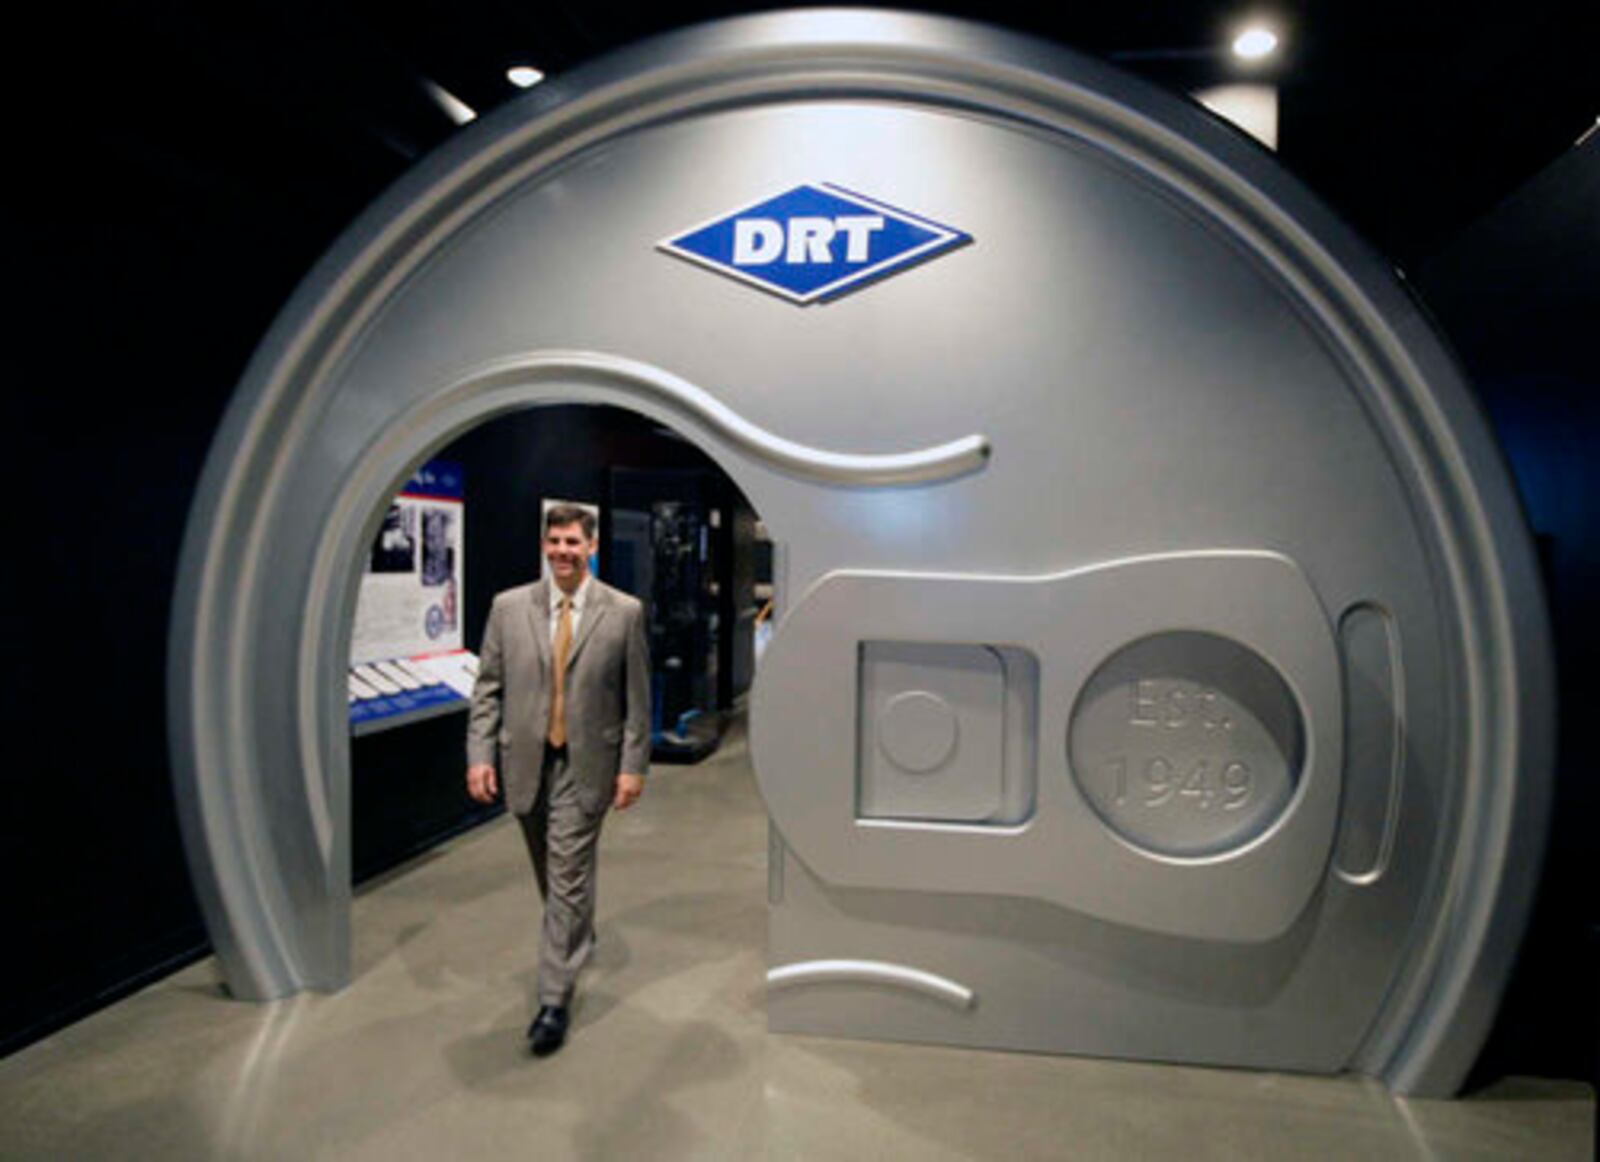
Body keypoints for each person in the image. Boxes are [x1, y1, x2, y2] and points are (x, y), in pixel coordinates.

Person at [466, 504, 651, 1056]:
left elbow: (637, 700)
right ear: (545, 545)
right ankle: (576, 930)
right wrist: (479, 755)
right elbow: (488, 688)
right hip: (523, 760)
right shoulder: (508, 608)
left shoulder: (623, 613)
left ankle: (553, 999)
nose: (563, 551)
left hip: (588, 762)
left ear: (591, 546)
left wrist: (632, 767)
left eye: (573, 542)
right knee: (551, 870)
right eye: (555, 541)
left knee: (567, 867)